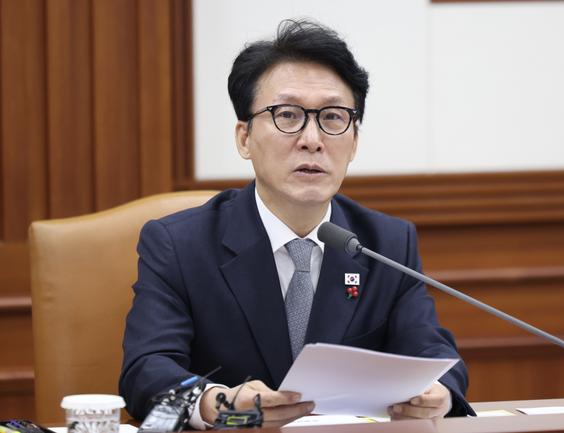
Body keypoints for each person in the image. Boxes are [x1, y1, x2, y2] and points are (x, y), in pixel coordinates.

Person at [119, 19, 475, 427]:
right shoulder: (180, 245)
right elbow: (146, 372)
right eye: (287, 115)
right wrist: (220, 405)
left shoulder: (387, 243)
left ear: (354, 142)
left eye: (333, 117)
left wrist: (438, 394)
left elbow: (433, 354)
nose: (312, 139)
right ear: (244, 138)